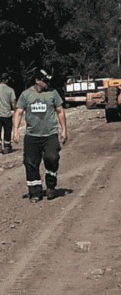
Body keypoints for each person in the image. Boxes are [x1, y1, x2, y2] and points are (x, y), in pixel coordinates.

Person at [14, 69, 68, 201]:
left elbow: (60, 111)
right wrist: (15, 130)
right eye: (45, 81)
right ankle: (35, 192)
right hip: (32, 136)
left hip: (50, 135)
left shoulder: (53, 93)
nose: (47, 83)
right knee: (30, 163)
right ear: (37, 80)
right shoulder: (26, 95)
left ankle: (51, 187)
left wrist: (64, 129)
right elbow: (19, 112)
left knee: (52, 158)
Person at [0, 74, 15, 155]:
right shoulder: (10, 90)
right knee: (7, 131)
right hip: (6, 114)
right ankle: (7, 146)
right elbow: (13, 102)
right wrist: (15, 110)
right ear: (6, 80)